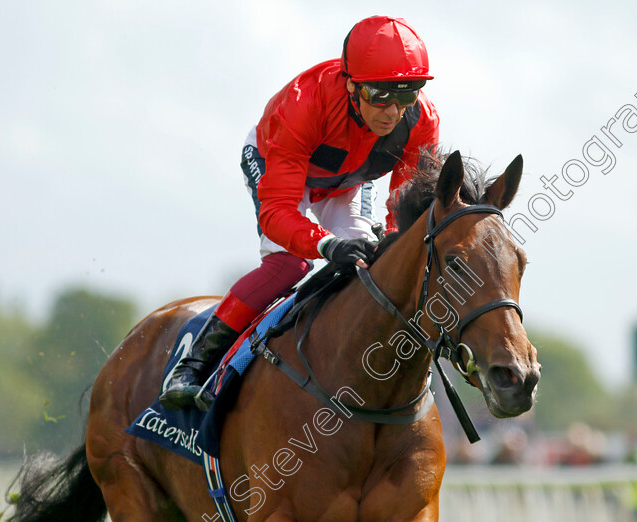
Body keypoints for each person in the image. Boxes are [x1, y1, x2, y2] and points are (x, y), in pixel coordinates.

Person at [159, 16, 440, 411]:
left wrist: (393, 242)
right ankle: (193, 364)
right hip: (279, 167)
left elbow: (403, 210)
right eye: (380, 95)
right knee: (289, 265)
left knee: (374, 260)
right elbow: (277, 212)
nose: (393, 111)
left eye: (408, 94)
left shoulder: (422, 122)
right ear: (351, 85)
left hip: (348, 182)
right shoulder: (304, 103)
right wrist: (325, 243)